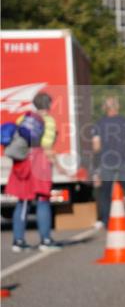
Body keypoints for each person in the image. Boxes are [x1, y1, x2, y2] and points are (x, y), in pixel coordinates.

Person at [8, 93, 59, 251]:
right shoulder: (48, 121)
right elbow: (46, 144)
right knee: (43, 199)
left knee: (23, 201)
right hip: (39, 161)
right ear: (48, 105)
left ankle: (18, 241)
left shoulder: (24, 117)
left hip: (22, 161)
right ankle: (45, 240)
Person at [92, 96, 125, 230]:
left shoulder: (99, 124)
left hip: (106, 162)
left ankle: (107, 223)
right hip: (124, 161)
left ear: (104, 108)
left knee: (105, 193)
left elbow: (96, 145)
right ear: (117, 107)